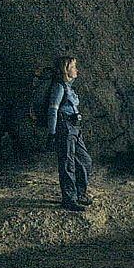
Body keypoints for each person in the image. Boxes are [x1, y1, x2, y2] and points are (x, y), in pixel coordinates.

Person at [45, 55, 93, 211]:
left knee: (85, 160)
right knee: (68, 164)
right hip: (64, 127)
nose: (76, 69)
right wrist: (52, 133)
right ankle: (69, 199)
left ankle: (80, 193)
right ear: (65, 70)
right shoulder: (59, 87)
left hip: (75, 127)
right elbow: (53, 110)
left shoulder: (69, 87)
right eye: (73, 67)